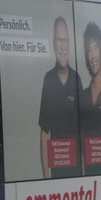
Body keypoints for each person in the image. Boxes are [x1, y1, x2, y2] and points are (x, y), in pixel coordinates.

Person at [38, 16, 82, 178]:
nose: (63, 46)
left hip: (76, 170)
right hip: (56, 169)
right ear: (53, 44)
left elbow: (84, 129)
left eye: (66, 41)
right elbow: (44, 133)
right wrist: (46, 178)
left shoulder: (76, 79)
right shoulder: (48, 79)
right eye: (59, 40)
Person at [79, 20, 101, 173]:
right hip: (86, 176)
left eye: (95, 48)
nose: (92, 55)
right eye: (88, 50)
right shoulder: (83, 95)